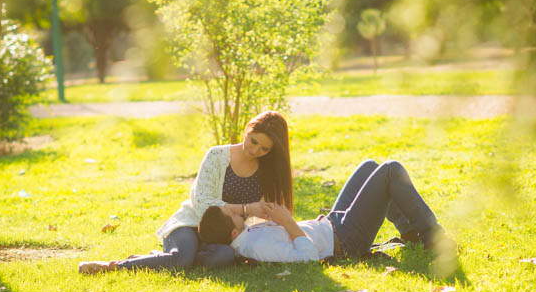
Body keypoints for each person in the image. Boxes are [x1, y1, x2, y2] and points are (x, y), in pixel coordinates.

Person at [79, 110, 293, 275]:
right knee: (181, 260)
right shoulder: (218, 156)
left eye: (264, 149)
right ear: (248, 130)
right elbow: (202, 202)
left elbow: (269, 216)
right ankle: (114, 266)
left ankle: (161, 258)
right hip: (191, 223)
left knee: (225, 257)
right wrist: (246, 208)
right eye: (253, 140)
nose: (255, 150)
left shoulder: (268, 171)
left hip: (227, 237)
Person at [198, 158, 457, 269]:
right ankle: (435, 237)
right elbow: (308, 257)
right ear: (233, 231)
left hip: (333, 223)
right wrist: (287, 222)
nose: (236, 212)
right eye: (232, 215)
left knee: (369, 167)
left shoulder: (245, 235)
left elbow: (280, 232)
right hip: (345, 239)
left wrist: (273, 217)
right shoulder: (257, 245)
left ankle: (410, 232)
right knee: (391, 170)